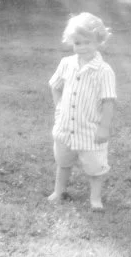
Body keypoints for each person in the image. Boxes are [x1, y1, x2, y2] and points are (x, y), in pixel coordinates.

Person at [47, 12, 117, 212]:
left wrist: (104, 128)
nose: (82, 47)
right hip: (65, 128)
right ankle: (58, 191)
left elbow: (108, 101)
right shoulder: (66, 64)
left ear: (99, 41)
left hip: (90, 131)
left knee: (95, 168)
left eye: (87, 42)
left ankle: (95, 199)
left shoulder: (104, 71)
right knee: (63, 162)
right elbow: (55, 85)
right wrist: (59, 107)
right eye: (77, 43)